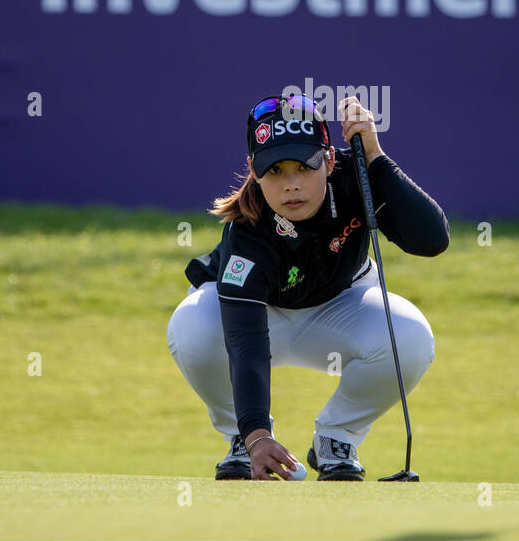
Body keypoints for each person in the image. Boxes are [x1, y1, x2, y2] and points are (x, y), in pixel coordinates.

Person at [167, 92, 449, 481]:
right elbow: (246, 345)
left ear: (330, 160)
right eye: (275, 171)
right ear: (253, 170)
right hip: (261, 320)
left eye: (303, 166)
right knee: (191, 325)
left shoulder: (356, 176)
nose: (291, 185)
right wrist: (256, 434)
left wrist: (376, 157)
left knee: (411, 336)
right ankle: (242, 439)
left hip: (341, 308)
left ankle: (336, 439)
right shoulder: (247, 233)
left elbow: (432, 240)